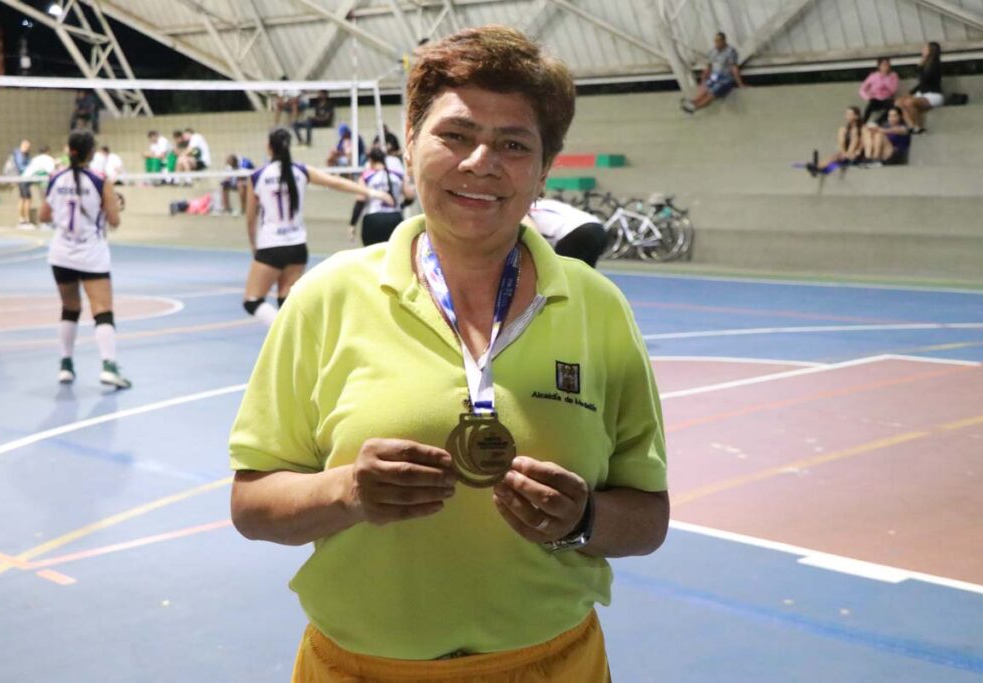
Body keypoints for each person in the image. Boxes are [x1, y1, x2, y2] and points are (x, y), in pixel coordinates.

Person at [229, 26, 668, 682]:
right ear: (410, 143)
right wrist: (344, 490)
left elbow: (649, 515)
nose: (480, 162)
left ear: (544, 168)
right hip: (360, 668)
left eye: (513, 143)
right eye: (455, 135)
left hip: (554, 665)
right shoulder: (327, 296)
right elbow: (250, 502)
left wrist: (584, 518)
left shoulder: (599, 308)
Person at [242, 127, 393, 326]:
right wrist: (375, 193)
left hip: (271, 245)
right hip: (297, 247)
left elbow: (250, 219)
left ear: (269, 148)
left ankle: (282, 333)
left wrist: (254, 244)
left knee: (252, 302)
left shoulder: (258, 176)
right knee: (286, 302)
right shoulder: (301, 171)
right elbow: (337, 183)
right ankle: (294, 344)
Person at [38, 130, 131, 389]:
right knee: (102, 310)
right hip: (91, 255)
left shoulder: (55, 177)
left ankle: (65, 365)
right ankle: (109, 366)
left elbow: (44, 216)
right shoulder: (101, 180)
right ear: (91, 152)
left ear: (70, 150)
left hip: (61, 254)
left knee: (70, 308)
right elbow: (114, 221)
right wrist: (114, 207)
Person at [523, 197, 607, 267]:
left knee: (561, 272)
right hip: (598, 228)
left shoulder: (524, 211)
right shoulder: (545, 204)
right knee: (586, 273)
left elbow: (535, 236)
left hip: (576, 231)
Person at [356, 147, 415, 245]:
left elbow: (360, 200)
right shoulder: (397, 174)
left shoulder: (366, 176)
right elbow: (410, 196)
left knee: (371, 255)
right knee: (393, 253)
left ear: (370, 160)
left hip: (373, 218)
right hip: (394, 217)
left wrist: (352, 224)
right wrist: (401, 206)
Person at [681, 31, 746, 114]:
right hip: (715, 75)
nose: (717, 43)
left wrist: (740, 83)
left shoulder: (730, 51)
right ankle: (694, 101)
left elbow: (734, 67)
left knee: (712, 92)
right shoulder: (713, 51)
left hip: (725, 77)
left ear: (723, 41)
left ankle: (695, 107)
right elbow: (709, 66)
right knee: (706, 85)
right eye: (715, 41)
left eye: (718, 41)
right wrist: (704, 77)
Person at [897, 42, 943, 134]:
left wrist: (921, 66)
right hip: (922, 93)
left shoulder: (936, 65)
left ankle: (918, 126)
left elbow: (926, 79)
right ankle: (911, 126)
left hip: (933, 95)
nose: (922, 50)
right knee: (899, 102)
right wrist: (911, 92)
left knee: (909, 103)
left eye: (925, 48)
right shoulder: (925, 64)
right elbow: (921, 83)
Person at [806, 106, 864, 177]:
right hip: (845, 153)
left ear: (856, 116)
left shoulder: (861, 128)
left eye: (849, 114)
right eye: (846, 114)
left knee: (837, 156)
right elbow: (841, 142)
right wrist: (843, 152)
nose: (847, 116)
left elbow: (861, 143)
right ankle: (818, 167)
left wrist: (855, 152)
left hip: (855, 154)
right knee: (841, 132)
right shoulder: (845, 129)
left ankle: (819, 167)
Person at [858, 57, 899, 125]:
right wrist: (867, 97)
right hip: (875, 98)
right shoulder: (873, 76)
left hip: (886, 98)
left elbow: (893, 90)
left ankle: (878, 122)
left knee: (893, 107)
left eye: (887, 64)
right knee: (870, 105)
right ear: (879, 66)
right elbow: (862, 89)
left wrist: (886, 79)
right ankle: (863, 123)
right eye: (884, 64)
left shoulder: (893, 76)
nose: (886, 66)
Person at [13, 139, 33, 229]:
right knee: (27, 199)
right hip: (23, 179)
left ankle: (22, 220)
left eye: (29, 147)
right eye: (27, 146)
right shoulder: (19, 154)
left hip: (26, 179)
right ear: (23, 145)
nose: (28, 148)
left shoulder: (26, 155)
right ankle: (25, 220)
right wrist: (31, 167)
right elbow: (21, 167)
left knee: (23, 198)